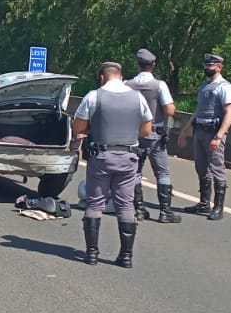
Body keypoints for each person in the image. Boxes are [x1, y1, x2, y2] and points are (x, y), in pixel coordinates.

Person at [72, 61, 153, 267]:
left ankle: (91, 254)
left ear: (102, 77)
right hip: (128, 157)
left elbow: (78, 127)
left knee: (95, 203)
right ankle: (126, 256)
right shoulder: (137, 97)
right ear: (120, 75)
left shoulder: (94, 96)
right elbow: (146, 130)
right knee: (125, 205)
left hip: (101, 156)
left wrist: (93, 128)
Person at [177, 53, 231, 221]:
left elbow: (230, 112)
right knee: (201, 167)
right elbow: (199, 111)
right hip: (200, 131)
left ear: (219, 67)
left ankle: (218, 206)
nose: (206, 69)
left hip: (213, 132)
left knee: (217, 167)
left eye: (210, 66)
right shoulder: (204, 87)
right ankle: (204, 203)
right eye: (205, 66)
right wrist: (186, 129)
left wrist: (219, 136)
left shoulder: (224, 87)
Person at [126, 48, 178, 223]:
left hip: (134, 133)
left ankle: (139, 209)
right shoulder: (159, 85)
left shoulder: (128, 85)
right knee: (162, 172)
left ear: (138, 64)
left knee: (135, 172)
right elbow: (170, 110)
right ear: (153, 65)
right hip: (155, 134)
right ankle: (165, 212)